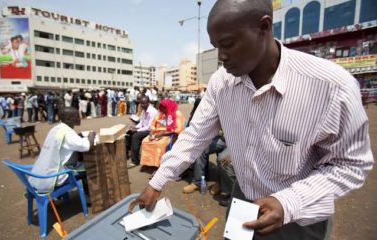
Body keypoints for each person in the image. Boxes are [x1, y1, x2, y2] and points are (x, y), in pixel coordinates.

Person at [129, 1, 374, 239]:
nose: (221, 57)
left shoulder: (332, 87)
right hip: (243, 197)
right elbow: (195, 136)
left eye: (228, 44)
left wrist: (288, 202)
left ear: (263, 27)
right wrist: (156, 183)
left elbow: (351, 164)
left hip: (297, 219)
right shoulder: (221, 83)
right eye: (216, 47)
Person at [29, 107, 96, 193]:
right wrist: (91, 135)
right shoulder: (68, 133)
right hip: (51, 179)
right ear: (68, 119)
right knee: (90, 166)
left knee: (76, 161)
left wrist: (78, 136)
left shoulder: (56, 129)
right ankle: (88, 198)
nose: (79, 117)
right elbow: (87, 146)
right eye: (76, 116)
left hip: (39, 175)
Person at [140, 99, 185, 167]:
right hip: (157, 133)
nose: (163, 110)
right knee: (145, 141)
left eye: (165, 108)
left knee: (159, 144)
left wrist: (162, 134)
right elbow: (153, 124)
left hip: (169, 135)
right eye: (162, 108)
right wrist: (151, 134)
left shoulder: (177, 114)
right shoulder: (161, 113)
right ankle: (150, 162)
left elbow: (178, 129)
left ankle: (159, 165)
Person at [125, 96, 158, 167]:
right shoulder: (144, 110)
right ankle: (126, 154)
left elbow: (149, 126)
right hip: (144, 128)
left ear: (148, 103)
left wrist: (137, 130)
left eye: (144, 103)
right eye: (141, 103)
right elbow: (141, 123)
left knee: (135, 136)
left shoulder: (153, 112)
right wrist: (135, 127)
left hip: (151, 130)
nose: (142, 105)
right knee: (128, 133)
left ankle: (135, 161)